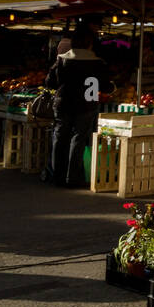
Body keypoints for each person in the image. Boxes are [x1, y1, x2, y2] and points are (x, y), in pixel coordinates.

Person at [45, 27, 113, 188]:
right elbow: (106, 86)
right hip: (87, 103)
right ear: (90, 44)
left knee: (60, 138)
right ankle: (72, 177)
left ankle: (57, 176)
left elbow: (50, 83)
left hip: (63, 102)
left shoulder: (62, 60)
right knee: (78, 139)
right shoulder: (97, 63)